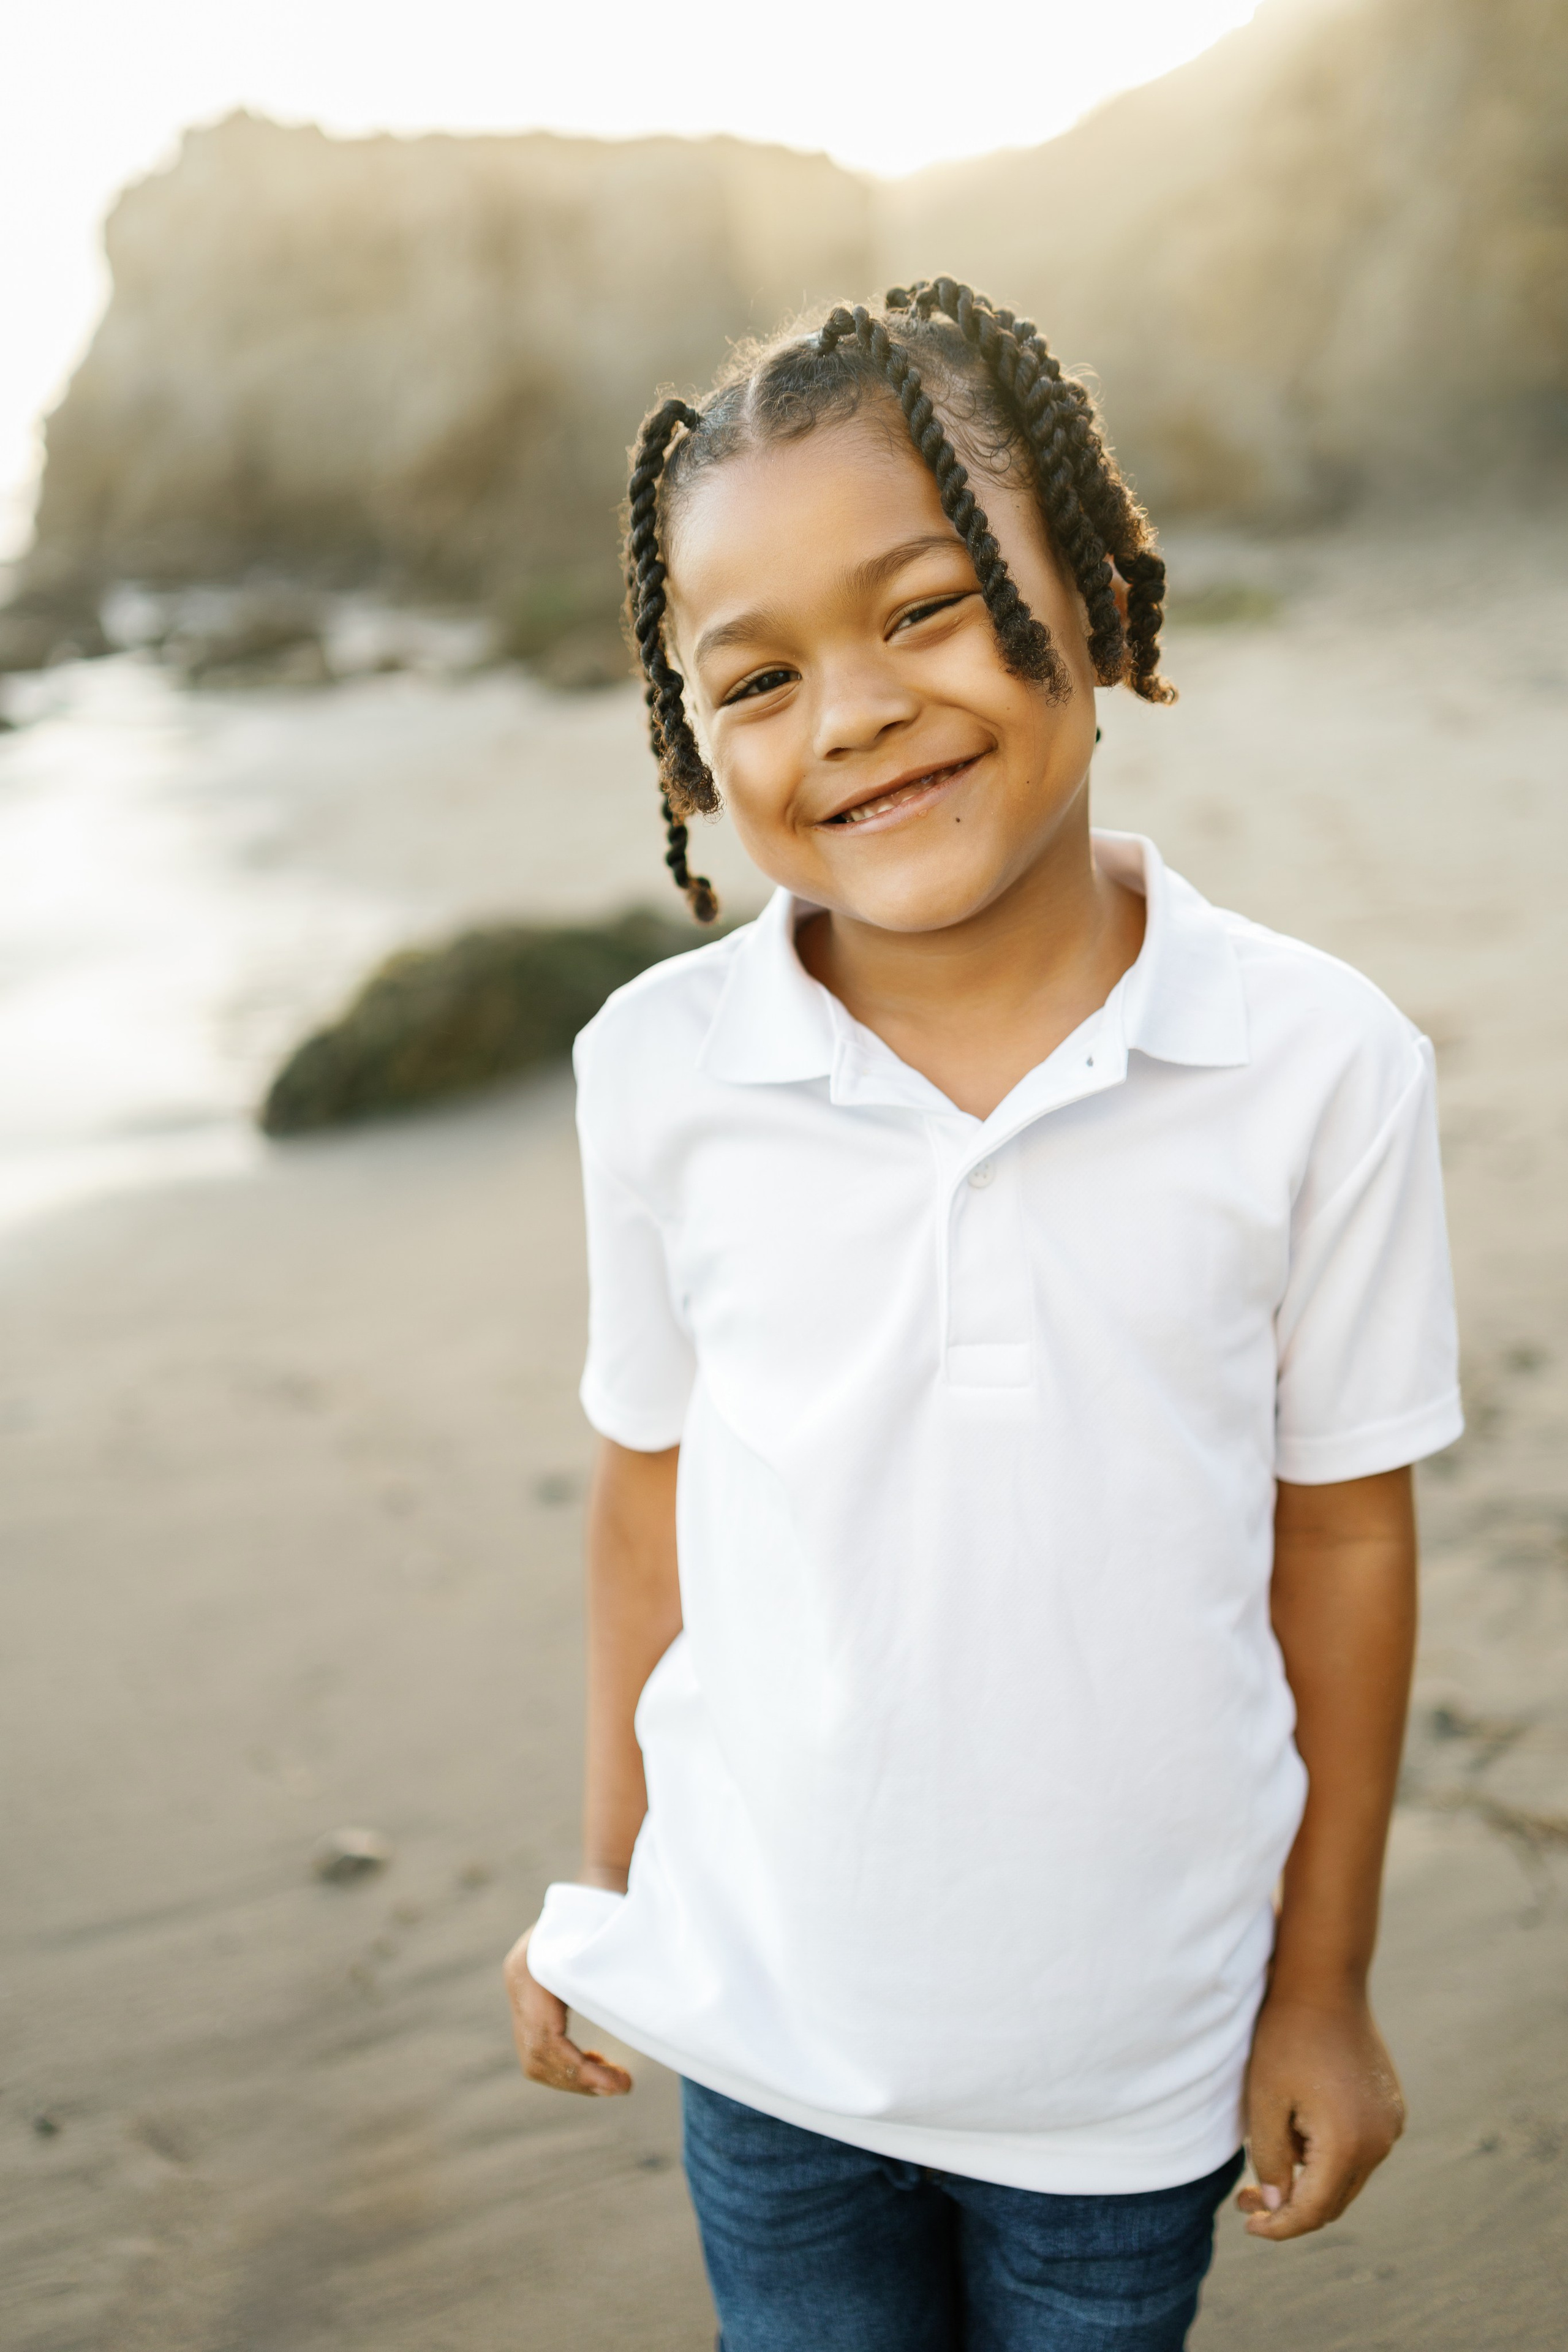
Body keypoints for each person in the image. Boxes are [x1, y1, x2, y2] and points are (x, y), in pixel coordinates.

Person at [503, 279, 1463, 2350]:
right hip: (768, 2027)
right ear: (690, 741)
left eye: (926, 610)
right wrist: (617, 1884)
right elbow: (648, 1499)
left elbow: (1345, 1537)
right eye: (758, 678)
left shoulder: (1319, 1065)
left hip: (1130, 2068)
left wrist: (1322, 1987)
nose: (850, 713)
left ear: (1097, 605)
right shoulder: (658, 1070)